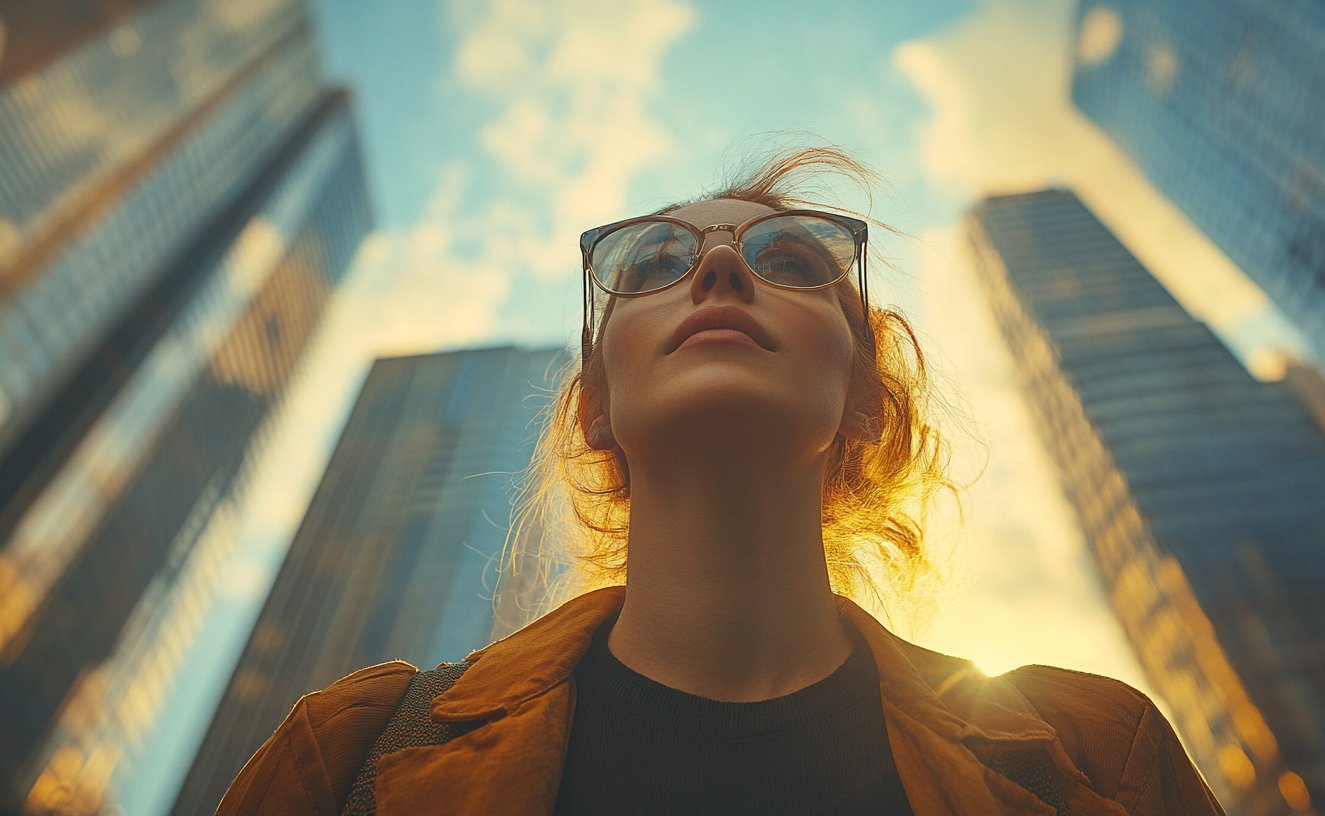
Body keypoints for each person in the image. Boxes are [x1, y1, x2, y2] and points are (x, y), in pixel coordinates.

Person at [216, 146, 1228, 815]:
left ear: (866, 402)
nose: (718, 271)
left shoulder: (1099, 757)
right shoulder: (348, 754)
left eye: (790, 259)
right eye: (652, 265)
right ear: (595, 407)